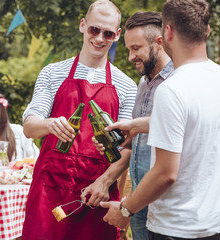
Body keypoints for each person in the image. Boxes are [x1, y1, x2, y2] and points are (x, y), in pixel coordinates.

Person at [101, 0, 220, 239]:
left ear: (167, 33)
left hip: (175, 227)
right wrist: (137, 128)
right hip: (216, 224)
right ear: (206, 31)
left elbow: (166, 173)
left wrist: (125, 210)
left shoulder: (171, 89)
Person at [21, 0, 137, 239]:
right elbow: (29, 127)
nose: (99, 38)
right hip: (49, 190)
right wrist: (49, 124)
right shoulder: (52, 73)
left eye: (107, 33)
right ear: (82, 25)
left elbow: (127, 147)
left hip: (96, 193)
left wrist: (105, 182)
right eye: (94, 30)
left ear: (116, 35)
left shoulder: (126, 85)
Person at [93, 11, 173, 240]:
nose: (130, 56)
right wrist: (120, 144)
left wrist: (135, 126)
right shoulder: (143, 83)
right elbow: (137, 141)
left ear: (159, 43)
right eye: (128, 49)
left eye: (136, 48)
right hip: (138, 202)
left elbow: (180, 125)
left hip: (166, 205)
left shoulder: (178, 80)